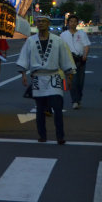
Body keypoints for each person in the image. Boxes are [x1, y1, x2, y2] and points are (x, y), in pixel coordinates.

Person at [17, 15, 75, 144]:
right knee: (40, 109)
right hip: (38, 77)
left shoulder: (58, 40)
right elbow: (24, 57)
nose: (41, 23)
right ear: (36, 24)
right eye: (39, 22)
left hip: (54, 76)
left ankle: (60, 136)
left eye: (43, 21)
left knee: (57, 108)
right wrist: (23, 74)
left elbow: (65, 58)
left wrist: (69, 76)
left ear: (48, 23)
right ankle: (42, 135)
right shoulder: (31, 41)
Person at [60, 15, 91, 109]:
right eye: (71, 21)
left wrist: (85, 56)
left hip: (80, 60)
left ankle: (79, 98)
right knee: (72, 82)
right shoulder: (63, 35)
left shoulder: (82, 34)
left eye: (74, 21)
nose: (73, 23)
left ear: (77, 23)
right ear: (68, 23)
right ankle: (75, 101)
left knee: (80, 82)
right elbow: (60, 48)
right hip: (69, 61)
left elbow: (86, 45)